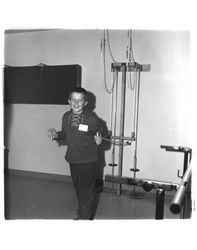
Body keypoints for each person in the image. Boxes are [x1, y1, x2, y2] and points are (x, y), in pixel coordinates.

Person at [47, 86, 103, 220]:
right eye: (73, 100)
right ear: (69, 101)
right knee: (79, 192)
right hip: (73, 160)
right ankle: (84, 215)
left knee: (86, 194)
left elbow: (102, 131)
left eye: (80, 100)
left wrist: (99, 138)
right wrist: (56, 135)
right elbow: (65, 133)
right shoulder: (66, 116)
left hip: (88, 162)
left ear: (86, 103)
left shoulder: (91, 118)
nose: (76, 103)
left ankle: (83, 219)